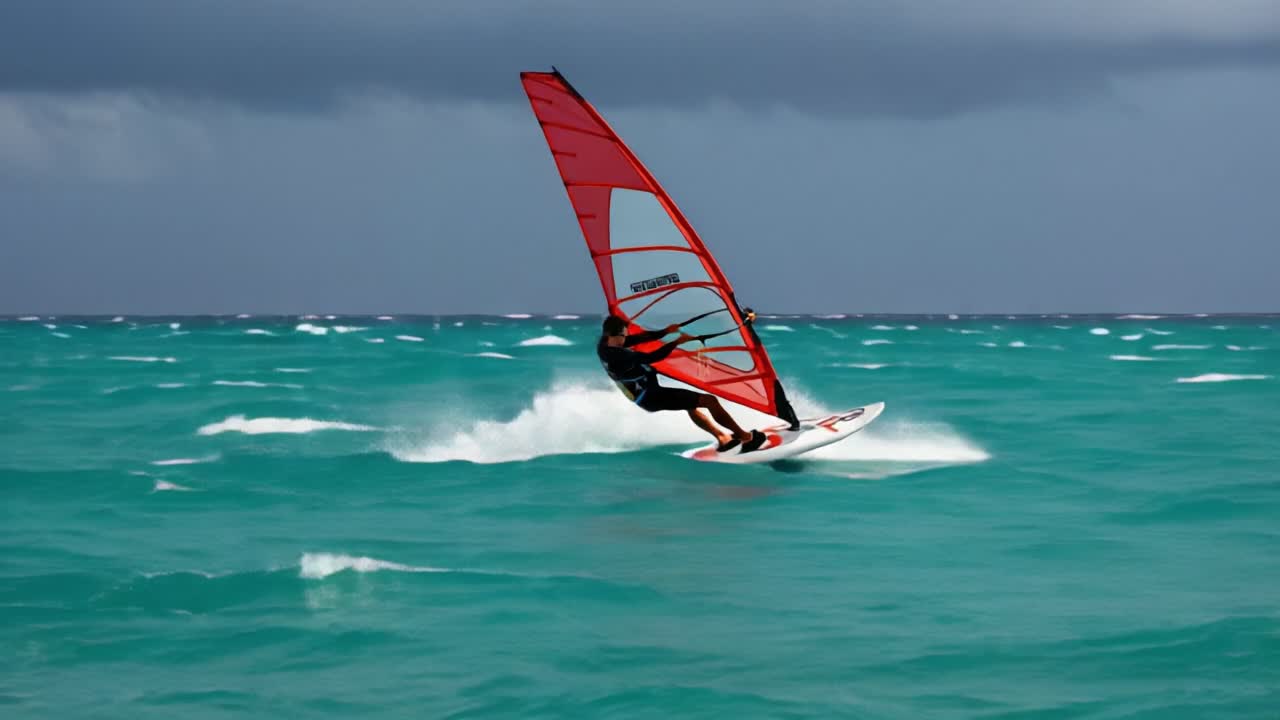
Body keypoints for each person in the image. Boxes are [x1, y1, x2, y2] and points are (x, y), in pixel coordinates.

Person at [597, 314, 766, 453]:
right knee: (709, 401)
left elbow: (640, 338)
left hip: (647, 395)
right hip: (652, 396)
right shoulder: (617, 354)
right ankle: (745, 438)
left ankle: (723, 438)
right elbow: (652, 357)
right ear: (613, 335)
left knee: (691, 404)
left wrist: (666, 331)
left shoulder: (605, 345)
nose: (626, 338)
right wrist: (677, 342)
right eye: (623, 335)